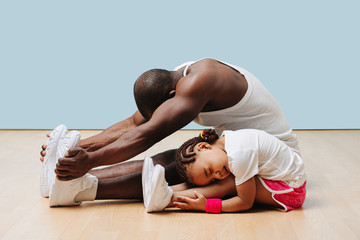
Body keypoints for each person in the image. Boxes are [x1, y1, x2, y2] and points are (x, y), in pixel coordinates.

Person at [40, 57, 300, 200]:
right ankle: (66, 181)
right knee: (174, 158)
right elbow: (134, 123)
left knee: (180, 168)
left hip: (274, 161)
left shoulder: (200, 82)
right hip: (237, 150)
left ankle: (80, 189)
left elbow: (148, 132)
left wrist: (91, 160)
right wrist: (73, 149)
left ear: (173, 95)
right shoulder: (177, 78)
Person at [143, 129, 306, 213]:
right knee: (225, 179)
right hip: (282, 180)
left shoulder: (239, 155)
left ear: (204, 146)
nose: (217, 175)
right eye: (212, 177)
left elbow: (245, 202)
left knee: (228, 182)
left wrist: (206, 206)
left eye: (209, 171)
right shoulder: (227, 143)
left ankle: (167, 199)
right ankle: (163, 189)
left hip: (291, 191)